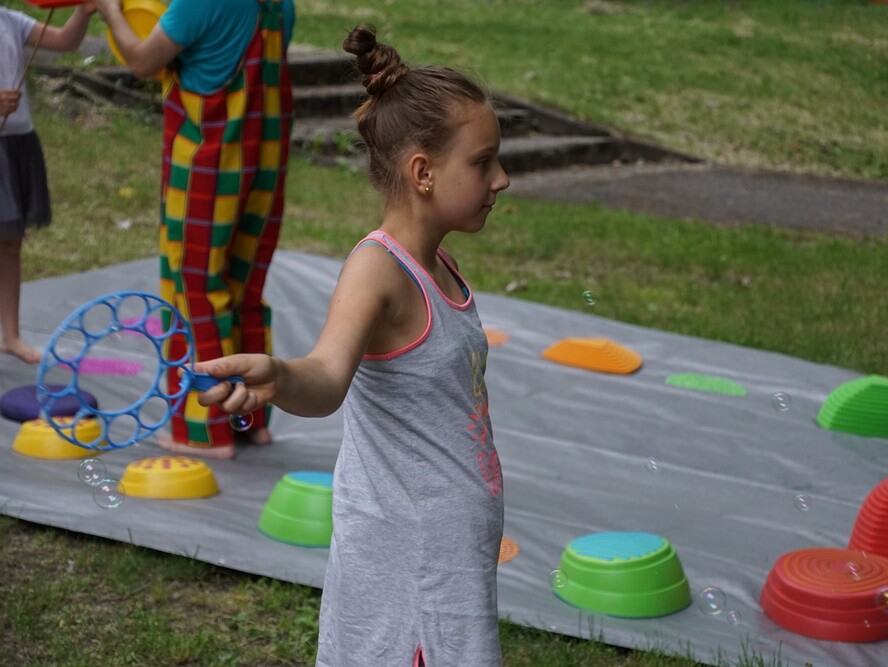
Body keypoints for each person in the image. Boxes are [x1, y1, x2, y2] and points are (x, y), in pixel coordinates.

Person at [196, 24, 510, 666]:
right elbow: (327, 374)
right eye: (483, 162)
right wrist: (281, 375)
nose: (501, 179)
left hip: (449, 555)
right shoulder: (378, 269)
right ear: (422, 172)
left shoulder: (440, 266)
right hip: (411, 560)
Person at [94, 0, 296, 459]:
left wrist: (110, 12)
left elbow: (143, 61)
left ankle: (206, 432)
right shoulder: (279, 4)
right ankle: (252, 422)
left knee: (195, 291)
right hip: (263, 168)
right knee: (244, 291)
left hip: (207, 168)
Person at [1, 2, 96, 364]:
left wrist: (83, 13)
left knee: (10, 243)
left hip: (17, 143)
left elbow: (64, 41)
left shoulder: (10, 20)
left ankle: (11, 336)